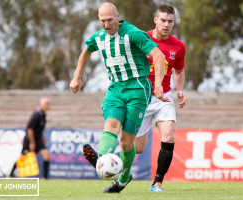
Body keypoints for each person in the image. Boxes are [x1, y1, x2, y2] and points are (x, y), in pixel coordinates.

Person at [70, 2, 169, 193]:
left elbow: (157, 55)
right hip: (115, 88)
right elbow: (86, 50)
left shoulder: (133, 33)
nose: (106, 25)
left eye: (109, 20)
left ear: (117, 17)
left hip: (138, 88)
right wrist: (76, 77)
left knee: (126, 142)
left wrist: (157, 85)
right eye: (102, 21)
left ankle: (123, 178)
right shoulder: (99, 37)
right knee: (111, 125)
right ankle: (102, 159)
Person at [134, 4, 186, 192]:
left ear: (174, 23)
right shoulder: (141, 39)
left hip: (163, 97)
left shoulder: (178, 46)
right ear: (155, 20)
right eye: (162, 20)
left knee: (169, 135)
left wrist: (179, 90)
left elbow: (179, 71)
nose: (166, 24)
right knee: (138, 148)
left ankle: (157, 183)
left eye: (170, 21)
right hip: (141, 98)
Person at [10, 97, 51, 179]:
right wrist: (32, 142)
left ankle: (46, 178)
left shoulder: (43, 115)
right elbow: (30, 129)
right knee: (22, 158)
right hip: (30, 140)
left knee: (46, 155)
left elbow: (38, 129)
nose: (47, 106)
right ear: (40, 105)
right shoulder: (36, 115)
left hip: (38, 141)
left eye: (48, 104)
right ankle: (10, 174)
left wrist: (42, 137)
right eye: (46, 104)